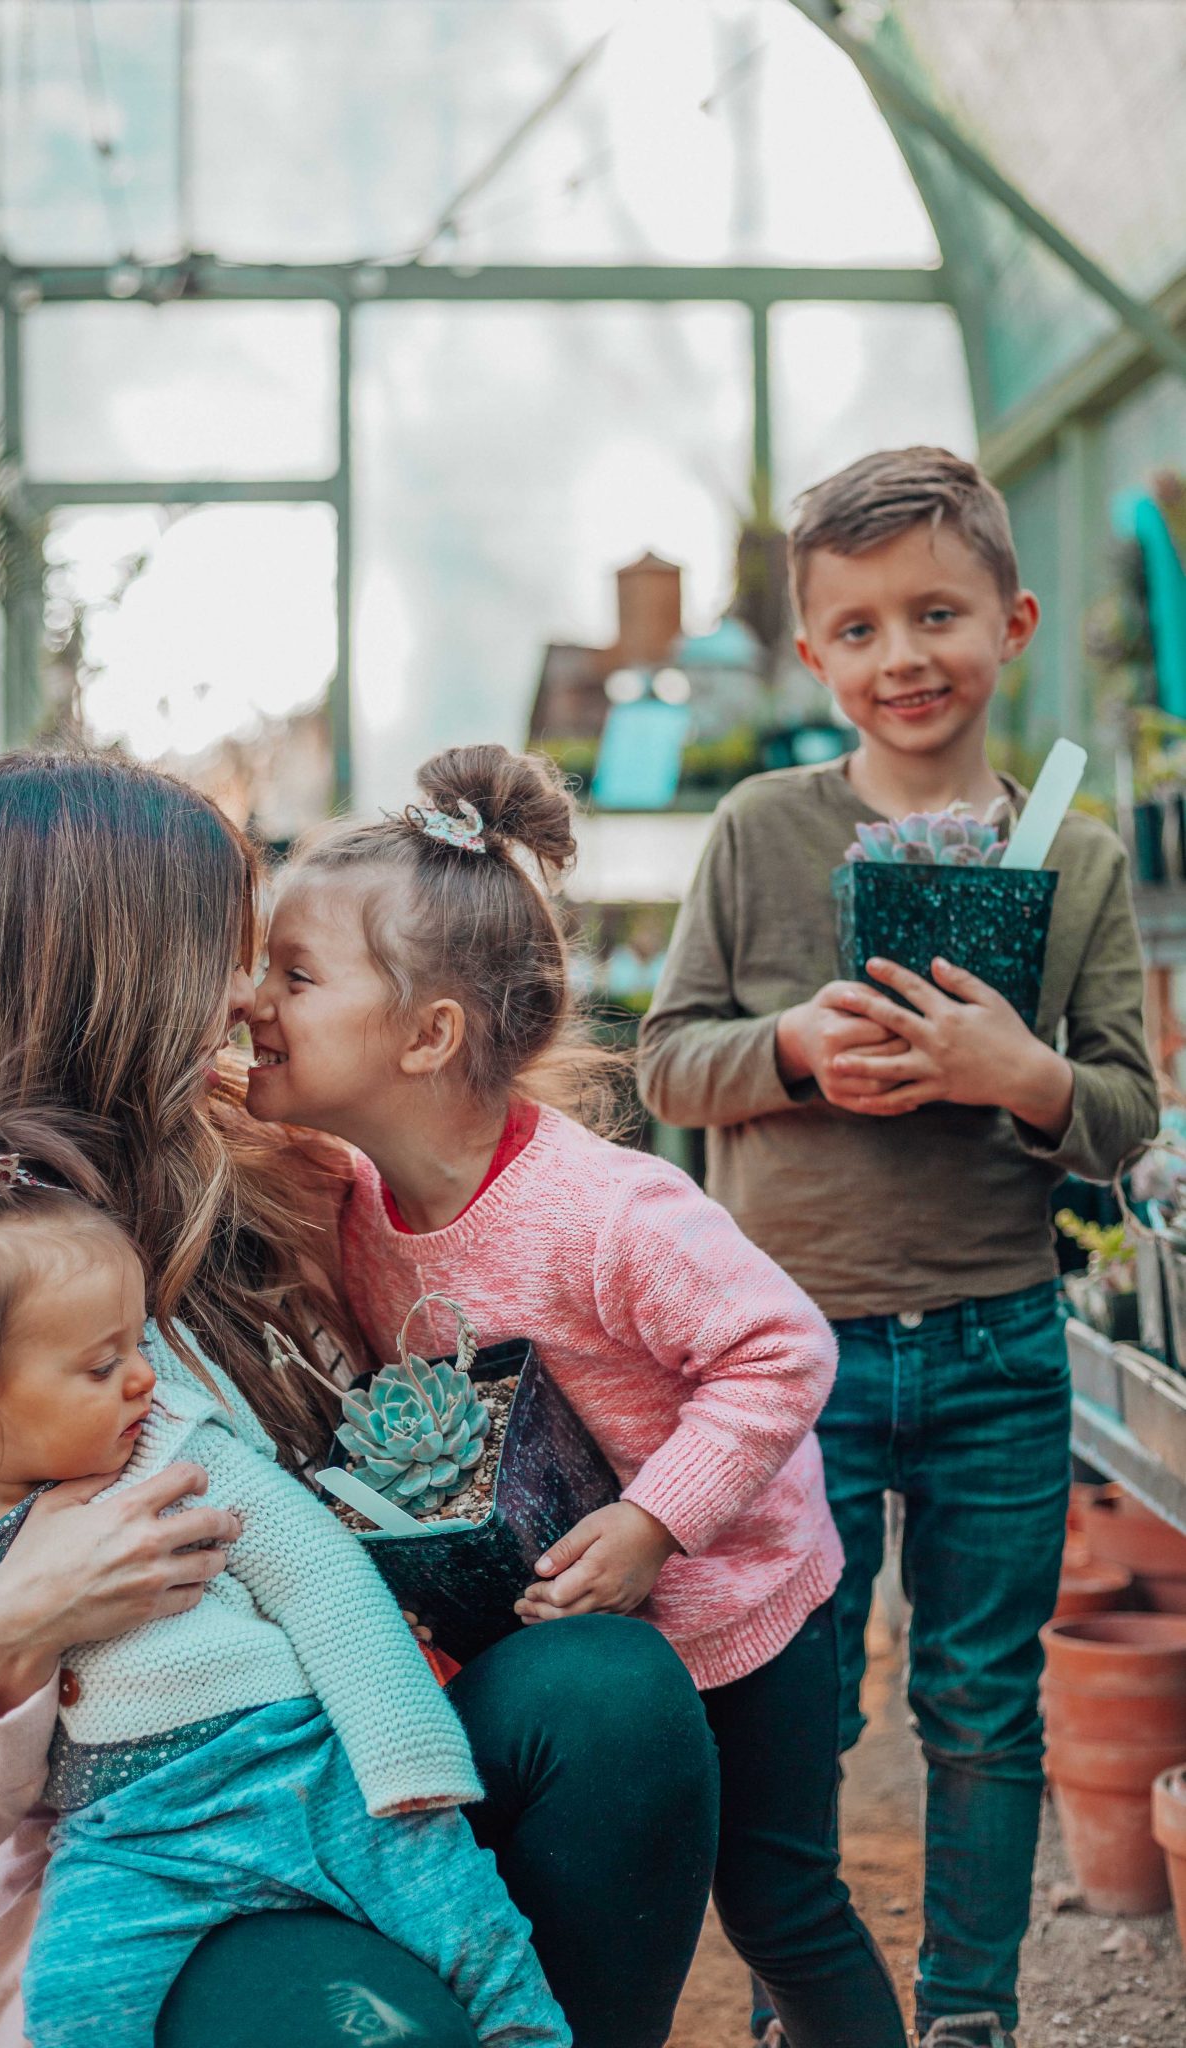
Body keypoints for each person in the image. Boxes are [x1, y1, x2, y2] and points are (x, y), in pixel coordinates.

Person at [0, 750, 718, 2048]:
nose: (247, 994)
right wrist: (13, 1635)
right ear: (97, 987)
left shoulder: (275, 1182)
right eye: (220, 953)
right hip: (136, 1869)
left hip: (352, 1754)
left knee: (610, 1694)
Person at [242, 741, 909, 2048]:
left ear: (428, 1036)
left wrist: (659, 1522)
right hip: (570, 1629)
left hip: (741, 1608)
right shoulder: (349, 1186)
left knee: (780, 1905)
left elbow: (783, 1349)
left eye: (293, 976)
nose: (249, 1001)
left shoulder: (606, 1211)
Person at [638, 447, 1159, 2048]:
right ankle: (815, 1995)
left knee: (983, 1714)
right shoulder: (759, 829)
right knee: (794, 1701)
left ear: (1008, 623)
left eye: (936, 614)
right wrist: (791, 1050)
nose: (902, 656)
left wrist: (1024, 1083)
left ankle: (968, 2017)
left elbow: (1125, 1108)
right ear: (813, 656)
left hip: (999, 1340)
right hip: (781, 1357)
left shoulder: (1070, 851)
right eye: (858, 628)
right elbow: (666, 1060)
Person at [0, 1106, 568, 2048]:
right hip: (128, 1835)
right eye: (101, 1367)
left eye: (137, 1344)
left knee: (467, 1926)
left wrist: (403, 1756)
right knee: (74, 2004)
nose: (143, 1378)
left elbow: (317, 1580)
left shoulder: (179, 1450)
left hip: (301, 1773)